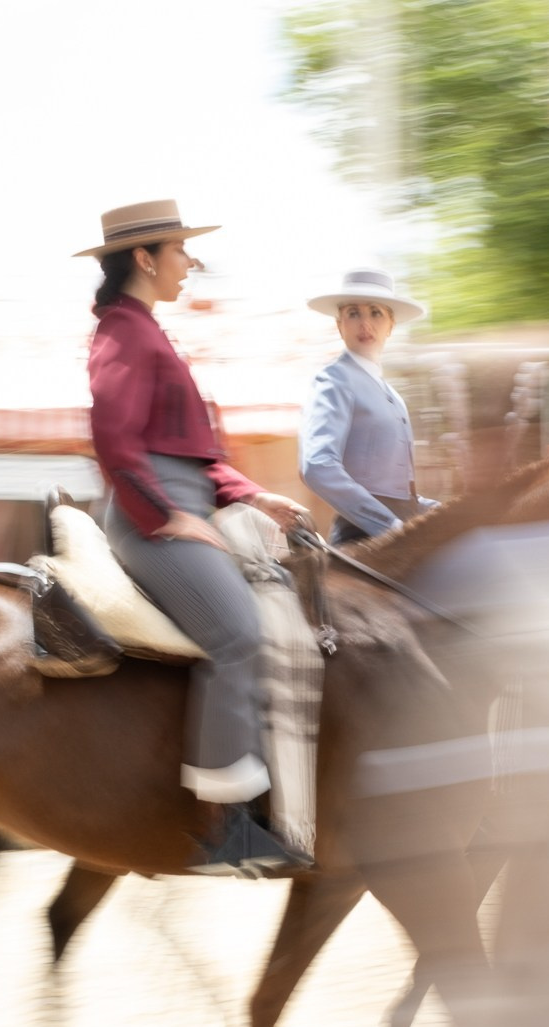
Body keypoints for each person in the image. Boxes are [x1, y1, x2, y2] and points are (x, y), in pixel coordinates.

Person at [75, 199, 313, 878]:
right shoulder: (123, 331)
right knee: (240, 635)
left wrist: (255, 496)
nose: (191, 260)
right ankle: (222, 830)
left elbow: (194, 456)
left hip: (190, 509)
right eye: (180, 249)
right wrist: (165, 517)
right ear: (144, 258)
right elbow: (114, 440)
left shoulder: (147, 329)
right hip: (153, 522)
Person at [299, 268, 437, 545]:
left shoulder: (393, 396)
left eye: (375, 313)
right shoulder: (333, 380)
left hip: (406, 530)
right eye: (353, 313)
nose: (365, 324)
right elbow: (317, 466)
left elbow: (399, 495)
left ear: (391, 325)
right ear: (340, 325)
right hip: (361, 538)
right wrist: (388, 526)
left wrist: (438, 509)